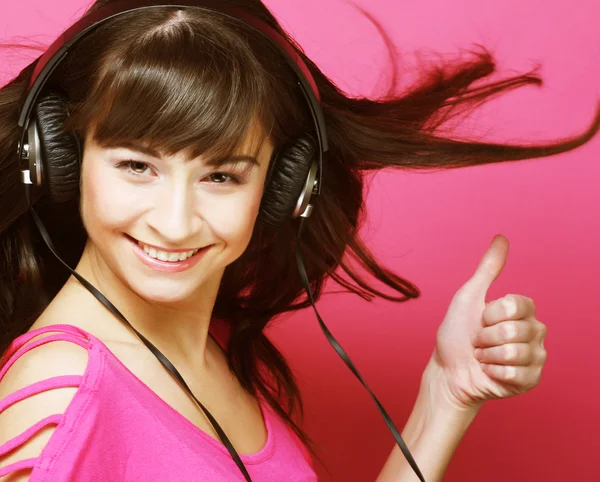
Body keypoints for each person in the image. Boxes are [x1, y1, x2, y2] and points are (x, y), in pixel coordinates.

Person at [0, 1, 597, 481]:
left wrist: (447, 397)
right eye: (137, 166)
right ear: (58, 158)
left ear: (286, 187)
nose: (175, 222)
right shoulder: (62, 401)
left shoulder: (211, 352)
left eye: (221, 175)